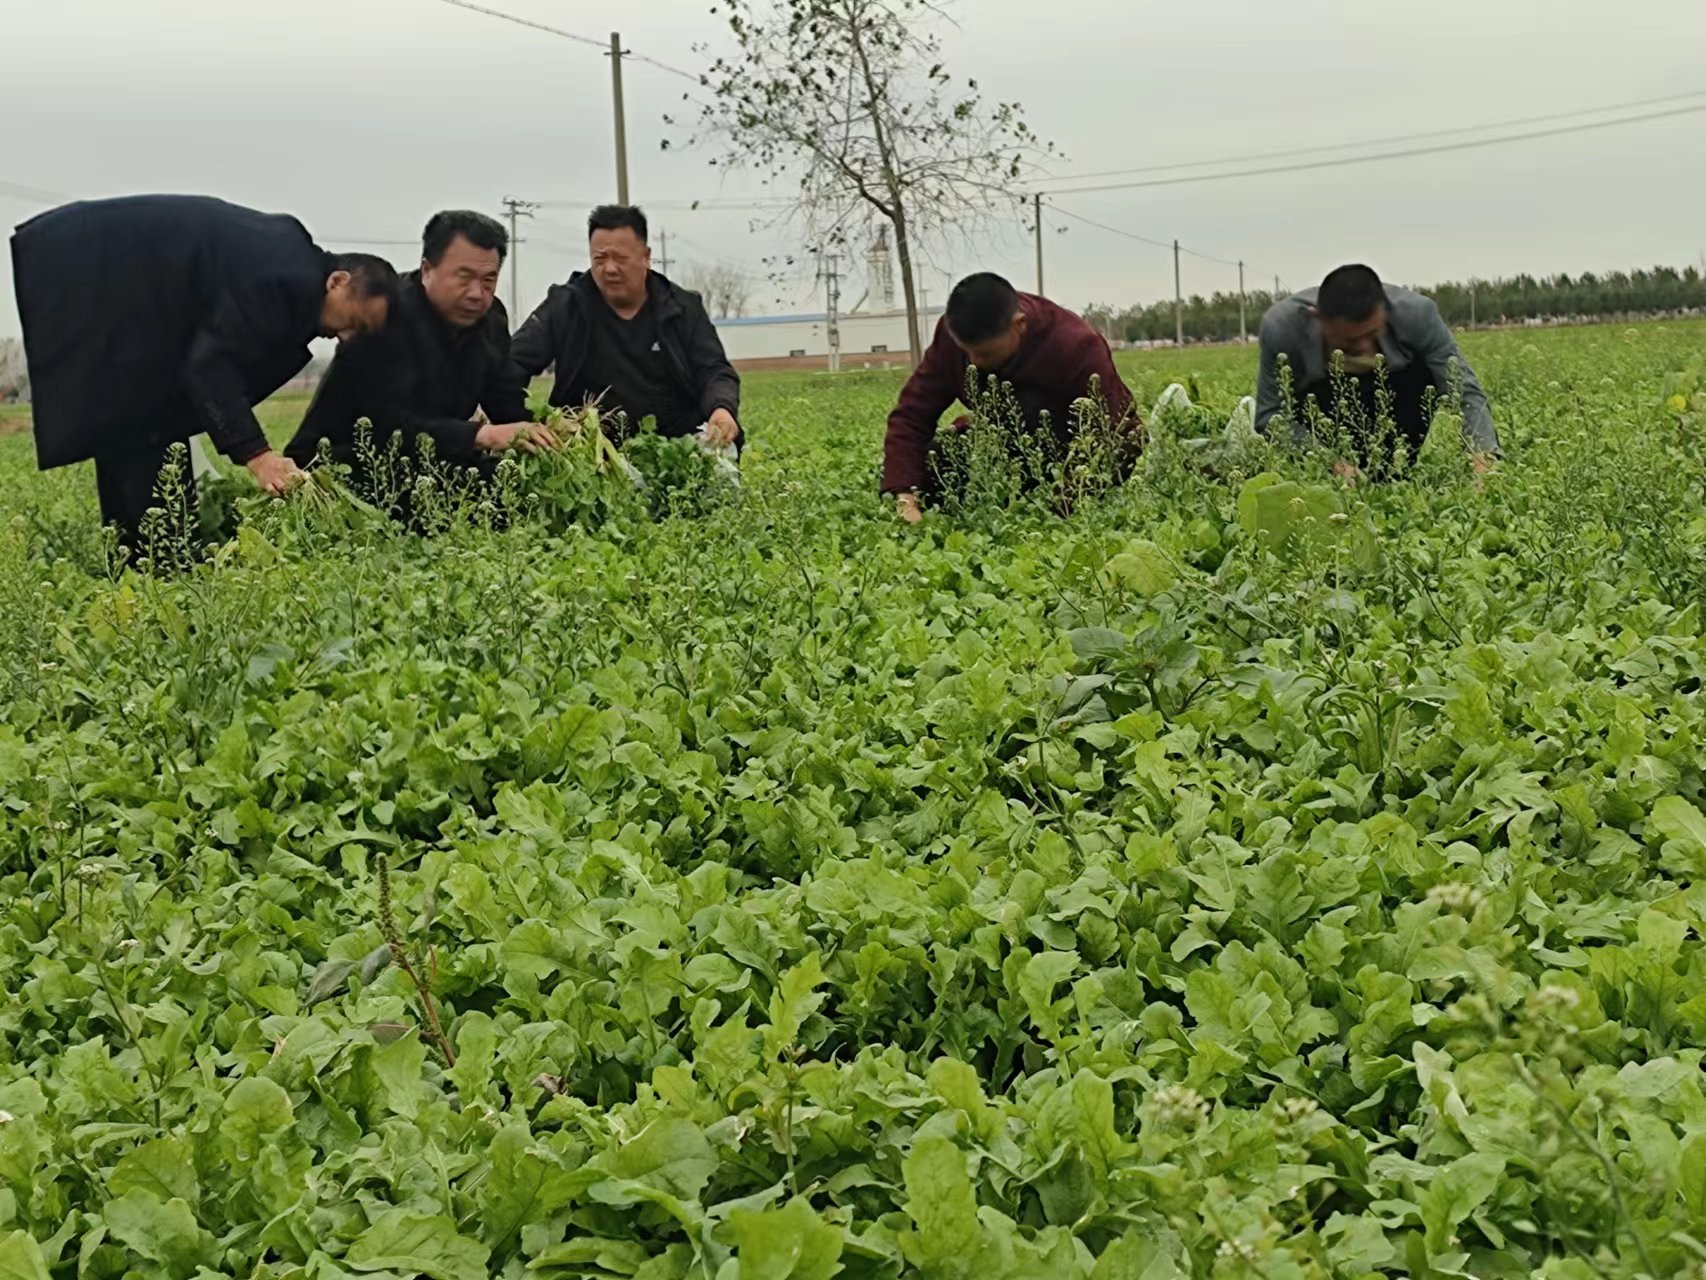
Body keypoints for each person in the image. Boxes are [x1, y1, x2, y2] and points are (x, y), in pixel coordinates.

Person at [10, 194, 396, 551]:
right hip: (89, 269)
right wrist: (259, 456)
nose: (345, 337)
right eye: (355, 324)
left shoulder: (290, 262)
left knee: (141, 420)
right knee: (138, 416)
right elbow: (209, 367)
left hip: (111, 282)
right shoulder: (285, 279)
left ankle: (143, 557)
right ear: (338, 281)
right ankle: (157, 562)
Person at [286, 210, 553, 488]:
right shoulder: (383, 313)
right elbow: (385, 424)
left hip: (432, 457)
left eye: (488, 280)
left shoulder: (492, 318)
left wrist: (542, 432)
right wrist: (480, 435)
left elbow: (504, 400)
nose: (477, 293)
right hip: (347, 457)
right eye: (464, 277)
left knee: (510, 487)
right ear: (427, 270)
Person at [882, 273, 1138, 522]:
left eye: (985, 353)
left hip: (1061, 453)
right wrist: (906, 499)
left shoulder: (1074, 343)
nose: (974, 362)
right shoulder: (951, 336)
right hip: (997, 444)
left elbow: (1119, 430)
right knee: (937, 457)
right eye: (967, 352)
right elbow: (912, 415)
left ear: (1019, 324)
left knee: (1047, 418)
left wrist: (1065, 502)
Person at [510, 205, 741, 448]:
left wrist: (722, 409)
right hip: (589, 446)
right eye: (599, 259)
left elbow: (714, 369)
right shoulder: (566, 305)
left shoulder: (681, 308)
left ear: (646, 257)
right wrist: (516, 421)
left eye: (621, 258)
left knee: (725, 442)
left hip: (674, 443)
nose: (609, 269)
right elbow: (513, 363)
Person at [1256, 264, 1499, 476]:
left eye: (1372, 334)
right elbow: (1270, 415)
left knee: (1390, 470)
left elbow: (1463, 389)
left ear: (1384, 310)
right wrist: (1327, 461)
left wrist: (1482, 456)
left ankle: (1393, 470)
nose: (1364, 348)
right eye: (1350, 341)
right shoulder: (1283, 327)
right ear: (1318, 318)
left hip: (1397, 396)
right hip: (1323, 409)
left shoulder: (1417, 314)